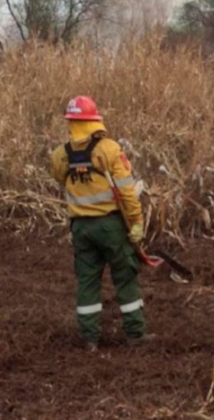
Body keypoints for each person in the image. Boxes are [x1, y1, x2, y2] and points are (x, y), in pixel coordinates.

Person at [50, 95, 148, 350]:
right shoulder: (109, 150)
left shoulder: (60, 155)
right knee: (125, 276)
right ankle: (135, 334)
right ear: (94, 121)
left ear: (70, 122)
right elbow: (126, 191)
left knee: (87, 281)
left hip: (81, 228)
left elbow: (62, 179)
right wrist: (137, 222)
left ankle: (90, 339)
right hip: (111, 226)